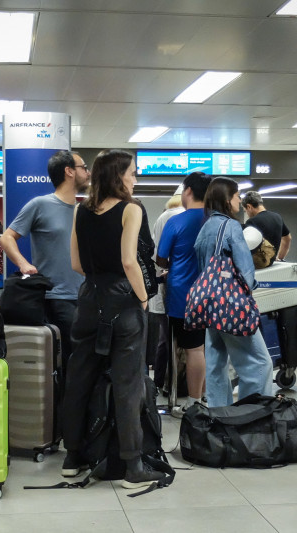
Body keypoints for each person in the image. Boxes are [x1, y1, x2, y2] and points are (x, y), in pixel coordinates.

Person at [60, 149, 163, 489]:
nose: (136, 178)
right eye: (132, 172)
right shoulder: (131, 208)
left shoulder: (80, 210)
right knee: (127, 382)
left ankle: (72, 457)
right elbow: (130, 260)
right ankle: (133, 466)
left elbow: (76, 263)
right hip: (124, 301)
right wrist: (144, 298)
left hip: (89, 300)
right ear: (119, 176)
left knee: (79, 378)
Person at [0, 150, 89, 371]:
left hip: (86, 296)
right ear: (69, 171)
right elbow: (7, 237)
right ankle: (65, 405)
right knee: (71, 360)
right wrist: (23, 263)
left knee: (85, 360)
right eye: (83, 167)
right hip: (56, 297)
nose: (88, 172)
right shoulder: (40, 204)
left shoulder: (85, 209)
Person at [194, 178, 274, 406]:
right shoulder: (230, 226)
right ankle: (251, 416)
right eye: (238, 196)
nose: (240, 200)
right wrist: (250, 288)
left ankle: (219, 418)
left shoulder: (206, 227)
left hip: (210, 305)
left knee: (216, 364)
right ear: (228, 199)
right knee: (259, 363)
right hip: (231, 305)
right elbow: (245, 270)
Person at [156, 172, 211, 417]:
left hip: (182, 294)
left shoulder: (175, 221)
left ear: (187, 191)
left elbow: (161, 257)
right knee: (204, 348)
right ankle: (202, 398)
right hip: (212, 293)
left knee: (189, 349)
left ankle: (190, 401)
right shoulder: (215, 221)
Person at [150, 193, 184, 392]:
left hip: (165, 284)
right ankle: (173, 384)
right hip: (176, 287)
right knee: (177, 342)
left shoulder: (164, 216)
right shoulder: (182, 217)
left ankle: (160, 382)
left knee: (166, 338)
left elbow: (157, 255)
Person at [242, 191, 291, 262]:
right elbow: (288, 239)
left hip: (258, 265)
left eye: (245, 211)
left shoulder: (252, 221)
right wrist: (279, 257)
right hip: (271, 264)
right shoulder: (277, 217)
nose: (247, 214)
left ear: (249, 207)